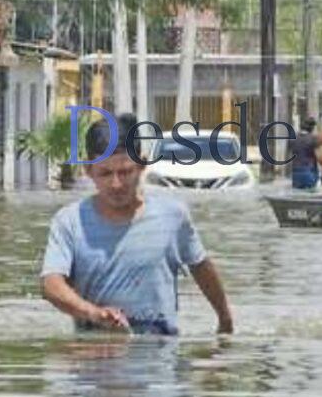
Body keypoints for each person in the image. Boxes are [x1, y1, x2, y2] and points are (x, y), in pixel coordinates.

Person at [40, 114, 233, 335]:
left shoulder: (173, 216)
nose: (116, 184)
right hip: (95, 354)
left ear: (142, 166)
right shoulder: (70, 222)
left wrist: (225, 320)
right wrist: (94, 313)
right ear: (88, 171)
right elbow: (51, 284)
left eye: (125, 172)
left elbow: (200, 267)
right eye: (105, 173)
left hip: (161, 350)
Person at [290, 117, 322, 190]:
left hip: (295, 172)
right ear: (312, 128)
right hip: (309, 171)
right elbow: (319, 157)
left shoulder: (293, 138)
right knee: (310, 197)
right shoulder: (314, 139)